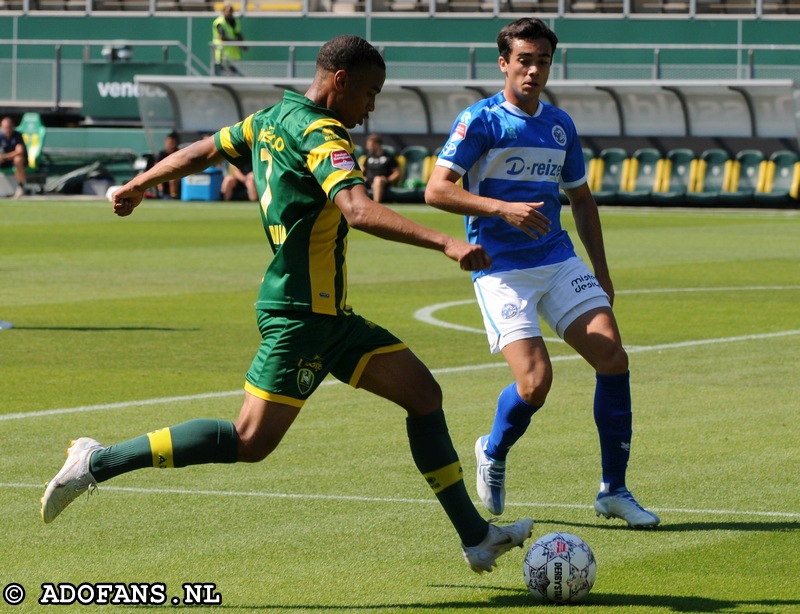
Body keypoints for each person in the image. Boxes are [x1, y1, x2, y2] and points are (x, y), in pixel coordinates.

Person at [40, 34, 534, 574]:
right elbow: (358, 211)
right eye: (369, 92)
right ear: (340, 81)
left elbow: (205, 150)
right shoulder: (322, 131)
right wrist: (447, 242)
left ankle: (475, 536)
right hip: (302, 315)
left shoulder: (270, 119)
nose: (371, 107)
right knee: (250, 440)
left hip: (332, 318)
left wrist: (140, 182)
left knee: (423, 395)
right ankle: (96, 461)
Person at [424, 18, 660, 529]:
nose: (534, 70)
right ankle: (493, 447)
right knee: (535, 384)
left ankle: (613, 491)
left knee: (612, 356)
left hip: (557, 259)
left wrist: (601, 270)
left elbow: (581, 198)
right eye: (525, 60)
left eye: (543, 61)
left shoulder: (560, 126)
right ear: (504, 63)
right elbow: (436, 190)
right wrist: (499, 210)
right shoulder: (480, 120)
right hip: (500, 268)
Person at [362, 133, 400, 204]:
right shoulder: (369, 156)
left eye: (370, 145)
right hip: (368, 181)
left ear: (377, 144)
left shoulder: (388, 156)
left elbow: (397, 173)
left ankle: (376, 204)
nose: (367, 147)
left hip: (382, 182)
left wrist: (387, 180)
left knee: (378, 180)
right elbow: (363, 169)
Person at [212, 3, 247, 76]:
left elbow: (238, 33)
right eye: (228, 11)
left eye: (231, 11)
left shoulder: (235, 21)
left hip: (233, 56)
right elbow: (222, 37)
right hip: (222, 55)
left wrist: (242, 44)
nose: (230, 13)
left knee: (232, 77)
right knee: (221, 77)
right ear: (224, 12)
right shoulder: (220, 22)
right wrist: (235, 42)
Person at [1, 116, 27, 199]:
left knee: (18, 159)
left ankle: (20, 186)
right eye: (5, 127)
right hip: (4, 161)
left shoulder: (17, 135)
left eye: (9, 127)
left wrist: (4, 156)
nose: (8, 130)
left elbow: (19, 151)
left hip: (15, 162)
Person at [156, 131, 181, 199]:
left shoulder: (179, 153)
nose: (170, 145)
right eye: (169, 142)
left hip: (176, 175)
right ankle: (160, 194)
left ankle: (173, 196)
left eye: (172, 143)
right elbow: (156, 168)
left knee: (173, 179)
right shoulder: (161, 154)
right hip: (163, 175)